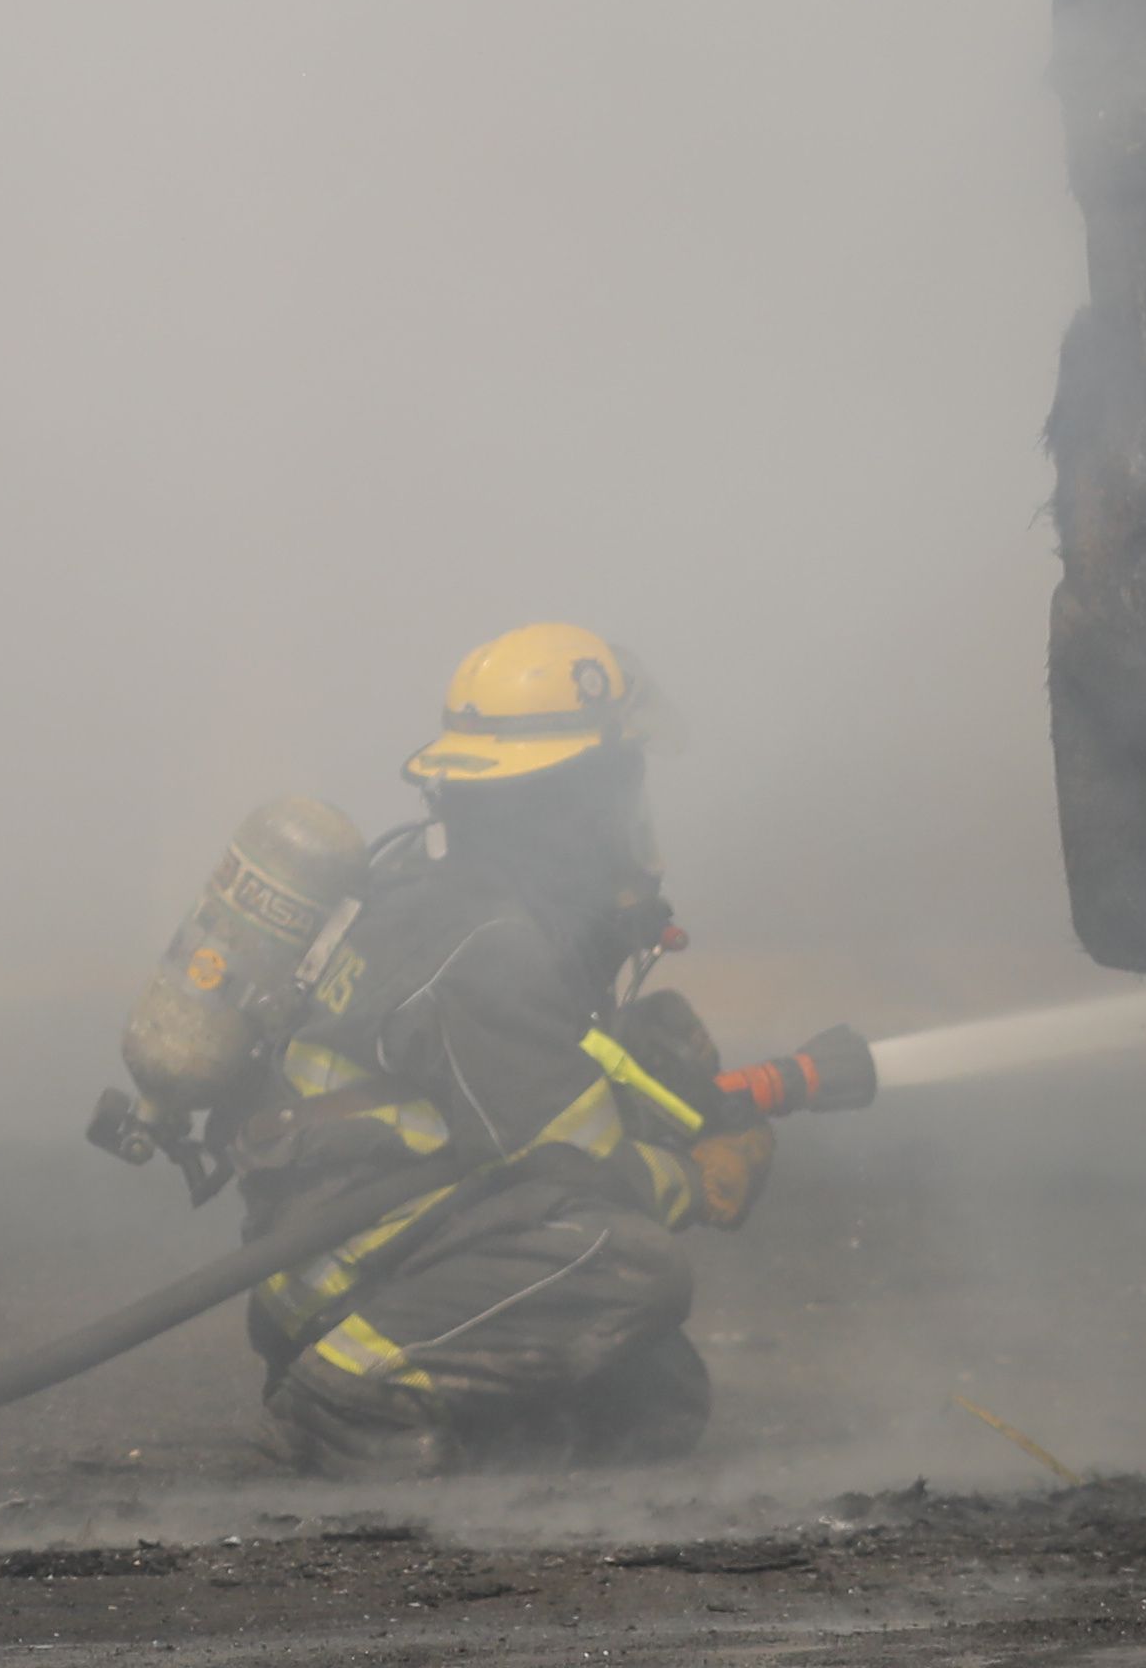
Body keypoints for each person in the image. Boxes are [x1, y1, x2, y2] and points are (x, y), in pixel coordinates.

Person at [228, 627, 781, 1474]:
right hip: (356, 1265)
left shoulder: (432, 887)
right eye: (618, 784)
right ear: (570, 801)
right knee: (631, 1265)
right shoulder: (487, 944)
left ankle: (404, 1403)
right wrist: (703, 1175)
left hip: (343, 1248)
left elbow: (511, 1081)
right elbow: (578, 1160)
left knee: (654, 1398)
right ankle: (341, 1397)